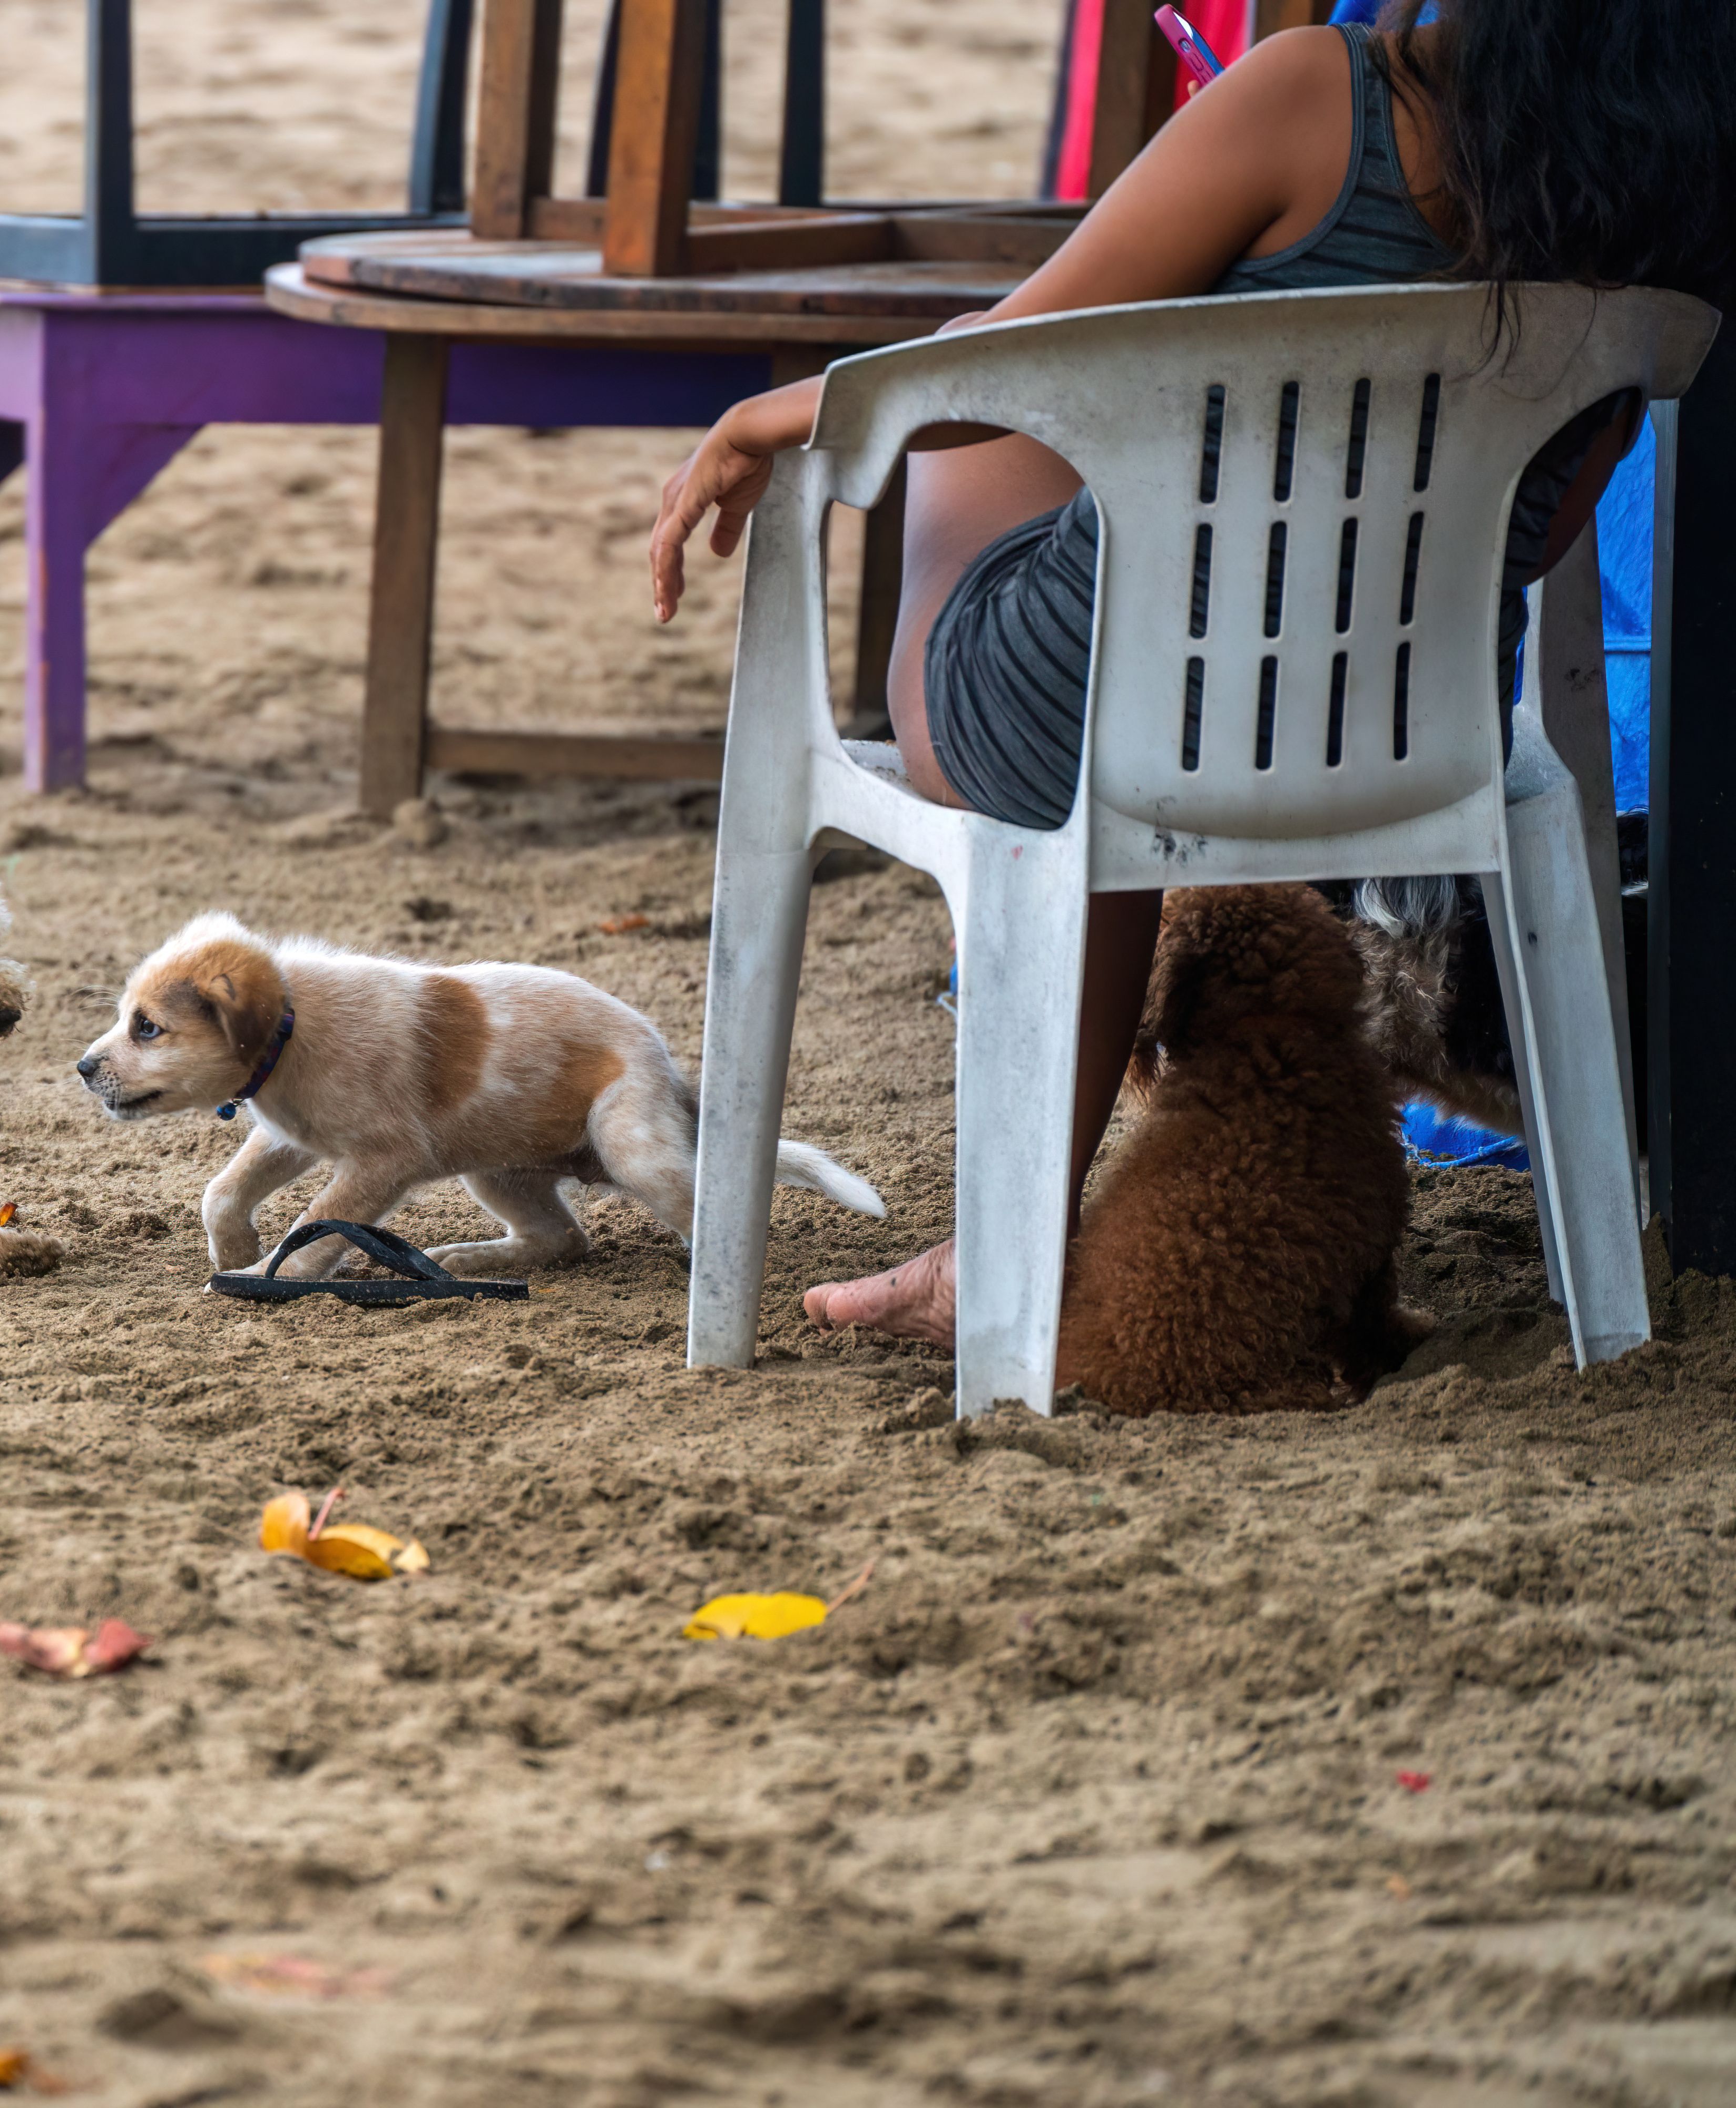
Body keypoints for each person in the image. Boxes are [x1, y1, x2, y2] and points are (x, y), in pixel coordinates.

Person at [644, 0, 1735, 1347]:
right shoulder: (1668, 213)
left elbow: (990, 371)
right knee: (1138, 648)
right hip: (1397, 742)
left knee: (997, 403)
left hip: (1064, 722)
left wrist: (766, 414)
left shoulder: (1316, 99)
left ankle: (1011, 1242)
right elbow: (1551, 529)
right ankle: (1011, 1231)